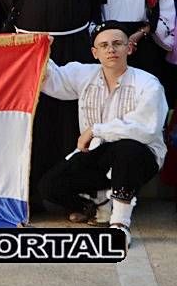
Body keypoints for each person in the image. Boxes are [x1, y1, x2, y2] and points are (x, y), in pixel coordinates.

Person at [0, 0, 108, 209]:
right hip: (29, 50)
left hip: (73, 45)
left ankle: (71, 195)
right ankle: (30, 194)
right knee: (33, 120)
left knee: (71, 120)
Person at [38, 21, 168, 245]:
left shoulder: (148, 83)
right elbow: (52, 79)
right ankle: (95, 206)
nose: (111, 49)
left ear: (129, 48)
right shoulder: (84, 74)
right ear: (95, 53)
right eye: (104, 45)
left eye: (117, 44)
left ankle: (119, 223)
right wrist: (40, 51)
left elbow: (146, 129)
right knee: (49, 185)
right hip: (99, 154)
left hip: (140, 157)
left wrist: (97, 130)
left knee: (127, 147)